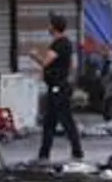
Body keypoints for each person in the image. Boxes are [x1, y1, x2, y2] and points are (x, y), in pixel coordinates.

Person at [32, 14, 83, 162]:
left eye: (50, 25)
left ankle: (77, 152)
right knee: (50, 122)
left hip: (58, 88)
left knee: (66, 120)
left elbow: (46, 62)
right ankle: (44, 154)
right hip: (58, 86)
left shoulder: (59, 44)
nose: (48, 27)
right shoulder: (65, 43)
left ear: (54, 27)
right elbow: (71, 65)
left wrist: (34, 56)